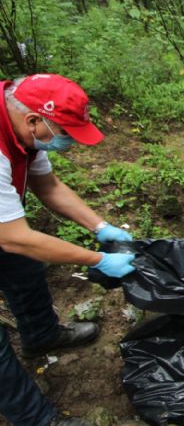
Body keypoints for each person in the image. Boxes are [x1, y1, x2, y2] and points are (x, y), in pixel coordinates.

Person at [0, 74, 135, 426]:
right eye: (65, 134)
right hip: (6, 231)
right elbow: (14, 237)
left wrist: (100, 227)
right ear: (34, 120)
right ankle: (38, 420)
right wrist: (99, 259)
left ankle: (41, 335)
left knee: (24, 269)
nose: (69, 143)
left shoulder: (24, 131)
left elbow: (48, 186)